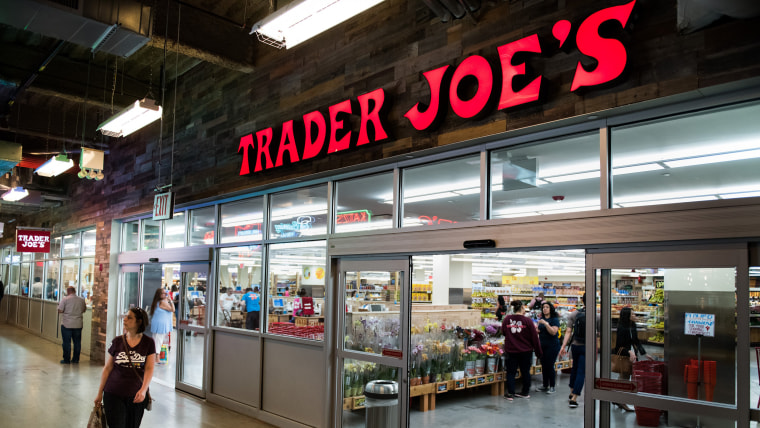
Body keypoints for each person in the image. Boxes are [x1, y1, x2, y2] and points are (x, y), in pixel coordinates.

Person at [94, 307, 155, 428]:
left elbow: (149, 368)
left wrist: (143, 390)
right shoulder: (117, 342)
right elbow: (107, 368)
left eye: (129, 317)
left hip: (136, 396)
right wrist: (99, 393)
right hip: (113, 393)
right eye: (126, 316)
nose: (125, 319)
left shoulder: (148, 342)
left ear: (139, 321)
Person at [612, 306, 653, 411]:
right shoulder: (622, 328)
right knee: (624, 377)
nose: (635, 315)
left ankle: (616, 398)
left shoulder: (633, 326)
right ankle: (621, 401)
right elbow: (618, 346)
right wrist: (629, 351)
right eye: (633, 314)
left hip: (632, 355)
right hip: (624, 356)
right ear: (628, 316)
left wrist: (644, 353)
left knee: (624, 377)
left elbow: (636, 341)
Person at [502, 300, 542, 400]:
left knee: (511, 372)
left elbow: (503, 332)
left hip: (511, 350)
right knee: (525, 372)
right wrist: (538, 352)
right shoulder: (528, 321)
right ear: (522, 308)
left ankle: (510, 393)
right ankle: (525, 392)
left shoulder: (507, 319)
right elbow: (534, 338)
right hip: (526, 351)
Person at [560, 292, 595, 409]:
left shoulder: (574, 314)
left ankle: (571, 391)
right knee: (581, 371)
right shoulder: (597, 316)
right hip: (587, 347)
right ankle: (574, 397)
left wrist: (563, 346)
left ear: (582, 301)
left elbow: (568, 332)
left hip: (575, 346)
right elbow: (599, 335)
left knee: (574, 369)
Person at [57, 285, 87, 364]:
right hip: (78, 324)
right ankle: (76, 359)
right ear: (75, 291)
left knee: (67, 342)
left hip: (67, 324)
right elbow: (84, 310)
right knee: (77, 342)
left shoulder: (65, 299)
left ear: (68, 291)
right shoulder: (81, 300)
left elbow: (60, 310)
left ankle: (66, 359)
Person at [536, 301, 561, 394]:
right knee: (544, 365)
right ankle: (545, 385)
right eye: (543, 307)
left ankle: (552, 386)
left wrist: (546, 324)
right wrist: (536, 329)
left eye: (547, 307)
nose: (545, 309)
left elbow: (553, 332)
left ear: (551, 309)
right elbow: (540, 330)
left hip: (552, 346)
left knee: (550, 365)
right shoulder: (541, 318)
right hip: (542, 345)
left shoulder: (554, 320)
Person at [148, 288, 174, 363]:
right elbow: (173, 309)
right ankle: (157, 358)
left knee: (156, 340)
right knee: (158, 341)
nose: (165, 294)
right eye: (163, 293)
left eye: (165, 293)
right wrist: (170, 300)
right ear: (159, 295)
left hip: (158, 324)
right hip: (160, 325)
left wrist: (168, 299)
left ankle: (154, 358)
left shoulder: (158, 302)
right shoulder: (162, 302)